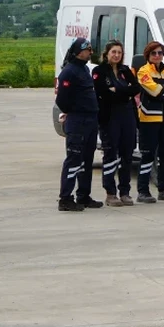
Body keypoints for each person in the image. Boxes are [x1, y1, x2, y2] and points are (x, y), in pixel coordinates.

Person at [55, 37, 101, 211]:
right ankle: (65, 198)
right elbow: (62, 99)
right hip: (77, 121)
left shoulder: (84, 70)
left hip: (90, 120)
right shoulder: (69, 71)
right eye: (87, 49)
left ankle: (83, 196)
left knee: (86, 161)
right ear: (79, 51)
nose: (90, 51)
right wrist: (73, 112)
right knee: (74, 160)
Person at [93, 39, 140, 206]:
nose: (116, 55)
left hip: (127, 115)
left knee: (127, 155)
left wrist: (118, 90)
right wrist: (123, 91)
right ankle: (110, 192)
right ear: (106, 54)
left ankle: (125, 192)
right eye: (113, 52)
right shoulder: (99, 71)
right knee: (111, 154)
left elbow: (135, 88)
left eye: (119, 52)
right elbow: (103, 93)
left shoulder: (125, 70)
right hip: (109, 117)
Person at [136, 40, 164, 203]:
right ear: (148, 55)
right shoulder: (143, 71)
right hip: (149, 118)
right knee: (147, 155)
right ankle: (143, 191)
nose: (157, 56)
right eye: (154, 53)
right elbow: (153, 90)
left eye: (160, 53)